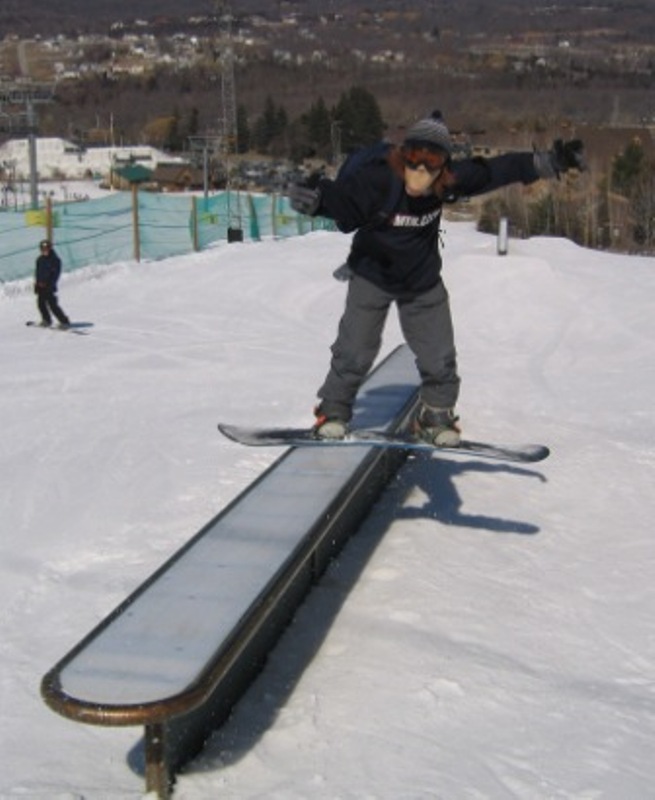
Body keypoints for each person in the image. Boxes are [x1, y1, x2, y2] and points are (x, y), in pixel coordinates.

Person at [289, 110, 585, 445]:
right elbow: (345, 201)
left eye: (431, 162)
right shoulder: (380, 179)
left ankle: (436, 416)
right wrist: (318, 201)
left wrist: (547, 162)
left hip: (421, 280)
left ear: (443, 166)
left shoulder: (450, 181)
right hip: (372, 274)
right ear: (404, 155)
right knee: (355, 349)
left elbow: (497, 170)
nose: (420, 170)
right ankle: (334, 411)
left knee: (439, 354)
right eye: (414, 158)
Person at [34, 239, 71, 328]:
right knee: (40, 304)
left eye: (46, 249)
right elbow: (37, 273)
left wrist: (49, 284)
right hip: (41, 286)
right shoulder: (40, 259)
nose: (45, 251)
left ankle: (64, 321)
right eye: (43, 249)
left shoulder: (55, 260)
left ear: (50, 249)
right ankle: (46, 320)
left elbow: (55, 275)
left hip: (49, 287)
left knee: (52, 305)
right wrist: (37, 284)